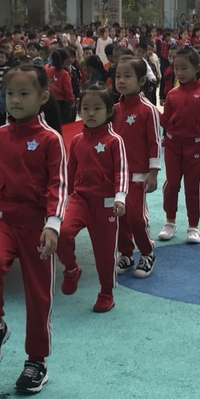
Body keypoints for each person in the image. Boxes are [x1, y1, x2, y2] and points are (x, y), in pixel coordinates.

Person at [0, 64, 69, 396]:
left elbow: (59, 185)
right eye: (9, 93)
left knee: (38, 295)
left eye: (24, 93)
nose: (14, 100)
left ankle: (36, 361)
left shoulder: (50, 140)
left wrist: (53, 224)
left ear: (42, 97)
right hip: (5, 220)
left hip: (39, 227)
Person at [57, 86, 128, 314]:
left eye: (97, 108)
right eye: (86, 108)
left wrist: (120, 197)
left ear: (109, 112)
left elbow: (121, 171)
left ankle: (106, 293)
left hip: (106, 206)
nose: (90, 113)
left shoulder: (115, 141)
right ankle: (71, 269)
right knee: (62, 233)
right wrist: (64, 199)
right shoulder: (77, 140)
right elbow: (70, 171)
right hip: (79, 200)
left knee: (105, 254)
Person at [158, 46, 200, 245]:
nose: (180, 72)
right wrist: (151, 113)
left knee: (192, 187)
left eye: (184, 68)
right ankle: (170, 221)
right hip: (172, 145)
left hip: (195, 146)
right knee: (172, 184)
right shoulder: (172, 94)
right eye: (176, 68)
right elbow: (165, 120)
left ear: (197, 68)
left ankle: (193, 226)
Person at [112, 57, 161, 279]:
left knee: (136, 218)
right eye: (118, 76)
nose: (121, 81)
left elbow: (154, 143)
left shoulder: (148, 110)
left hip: (139, 175)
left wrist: (153, 173)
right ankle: (126, 253)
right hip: (116, 176)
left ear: (141, 80)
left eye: (127, 76)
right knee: (118, 216)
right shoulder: (113, 110)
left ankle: (147, 252)